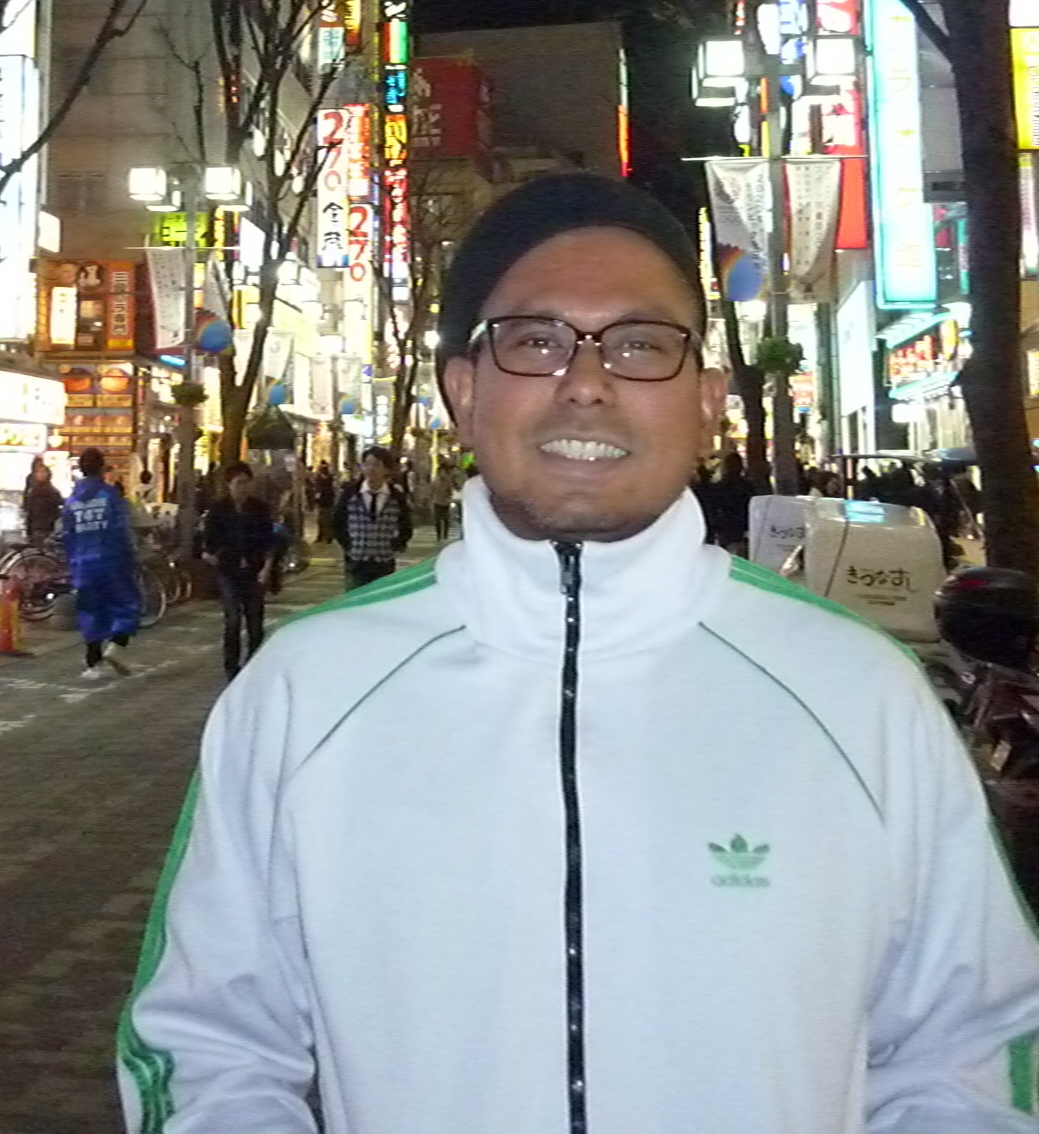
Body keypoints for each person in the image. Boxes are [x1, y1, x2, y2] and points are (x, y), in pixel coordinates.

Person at [118, 172, 1039, 1134]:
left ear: (707, 400)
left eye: (640, 344)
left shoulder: (858, 692)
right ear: (463, 392)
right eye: (536, 341)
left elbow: (973, 1052)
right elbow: (208, 1047)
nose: (588, 382)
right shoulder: (306, 691)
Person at [60, 449, 142, 681]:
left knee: (91, 610)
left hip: (82, 565)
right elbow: (121, 529)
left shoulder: (72, 502)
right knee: (128, 603)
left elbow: (68, 535)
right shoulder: (110, 496)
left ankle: (93, 663)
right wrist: (131, 555)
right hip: (112, 560)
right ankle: (116, 645)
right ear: (101, 467)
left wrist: (73, 563)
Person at [200, 461, 276, 679]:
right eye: (239, 483)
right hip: (229, 570)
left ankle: (254, 664)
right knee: (233, 619)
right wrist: (210, 555)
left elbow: (269, 540)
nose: (243, 487)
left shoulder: (259, 509)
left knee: (255, 621)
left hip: (254, 569)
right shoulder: (218, 509)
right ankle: (231, 667)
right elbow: (208, 541)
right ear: (229, 484)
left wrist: (266, 568)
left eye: (247, 482)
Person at [332, 446, 412, 590]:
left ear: (386, 469)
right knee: (355, 598)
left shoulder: (395, 497)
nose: (371, 469)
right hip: (356, 560)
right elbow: (338, 521)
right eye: (367, 464)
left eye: (376, 465)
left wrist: (396, 545)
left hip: (384, 561)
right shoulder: (351, 494)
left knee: (382, 597)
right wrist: (348, 545)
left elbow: (405, 524)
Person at [21, 457, 63, 545]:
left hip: (46, 527)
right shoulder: (33, 490)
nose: (41, 474)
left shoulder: (52, 491)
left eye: (44, 472)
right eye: (39, 472)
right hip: (37, 526)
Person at [431, 457, 459, 542]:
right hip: (437, 501)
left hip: (445, 502)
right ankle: (439, 536)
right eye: (441, 472)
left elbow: (450, 491)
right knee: (437, 520)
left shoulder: (448, 481)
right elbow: (431, 491)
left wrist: (449, 499)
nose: (442, 474)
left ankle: (445, 535)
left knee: (445, 519)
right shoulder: (435, 481)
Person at [312, 462, 337, 544]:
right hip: (326, 502)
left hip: (324, 502)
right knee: (324, 520)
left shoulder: (323, 481)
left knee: (324, 520)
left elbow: (319, 491)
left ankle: (325, 536)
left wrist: (317, 499)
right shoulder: (329, 480)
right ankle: (325, 536)